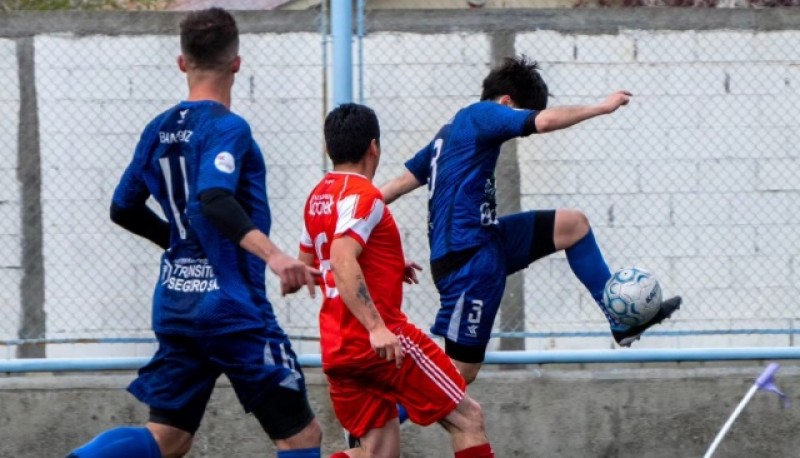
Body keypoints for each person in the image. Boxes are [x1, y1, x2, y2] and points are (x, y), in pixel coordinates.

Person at [67, 8, 322, 458]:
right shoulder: (227, 127)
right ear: (237, 63)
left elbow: (123, 207)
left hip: (176, 301)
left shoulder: (158, 128)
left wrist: (178, 244)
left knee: (169, 438)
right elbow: (214, 198)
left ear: (182, 62)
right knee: (301, 437)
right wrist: (275, 256)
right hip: (232, 307)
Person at [380, 56, 682, 384]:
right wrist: (601, 107)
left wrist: (351, 205)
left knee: (573, 225)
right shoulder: (483, 114)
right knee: (458, 375)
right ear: (507, 102)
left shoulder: (449, 134)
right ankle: (376, 422)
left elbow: (395, 186)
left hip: (486, 241)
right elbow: (545, 121)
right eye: (520, 112)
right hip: (468, 263)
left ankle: (620, 321)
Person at [298, 103, 495, 458]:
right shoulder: (366, 196)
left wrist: (385, 267)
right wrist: (375, 326)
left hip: (337, 347)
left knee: (378, 453)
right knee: (468, 417)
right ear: (374, 147)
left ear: (330, 149)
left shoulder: (318, 197)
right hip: (381, 345)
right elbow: (342, 258)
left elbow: (311, 263)